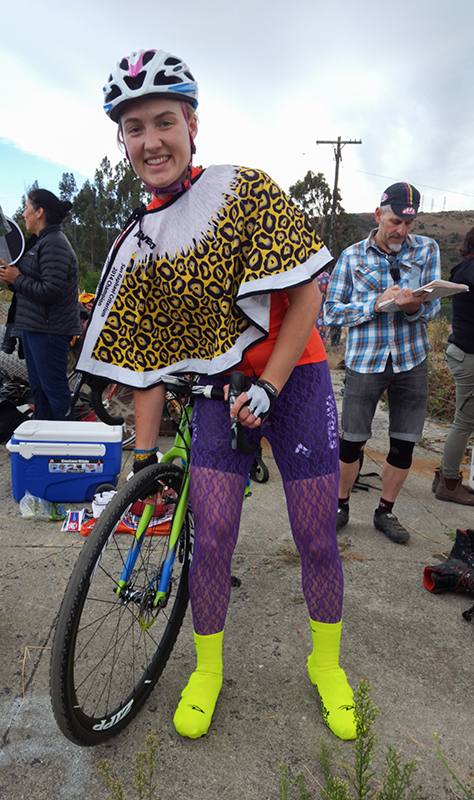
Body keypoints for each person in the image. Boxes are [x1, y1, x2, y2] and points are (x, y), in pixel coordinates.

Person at [77, 48, 357, 741]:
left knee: (315, 535)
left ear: (192, 124)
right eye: (134, 128)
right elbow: (145, 361)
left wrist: (270, 386)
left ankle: (326, 665)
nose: (150, 140)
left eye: (163, 121)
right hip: (214, 391)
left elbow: (308, 296)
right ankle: (206, 670)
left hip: (294, 378)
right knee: (214, 536)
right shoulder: (140, 241)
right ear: (122, 141)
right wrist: (144, 459)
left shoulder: (244, 190)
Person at [325, 183, 441, 544]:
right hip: (365, 361)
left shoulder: (427, 250)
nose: (401, 231)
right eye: (394, 222)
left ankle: (385, 512)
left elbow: (434, 307)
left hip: (411, 359)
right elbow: (331, 311)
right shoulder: (351, 256)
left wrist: (415, 307)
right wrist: (375, 304)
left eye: (408, 224)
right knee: (351, 441)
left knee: (404, 443)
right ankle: (340, 505)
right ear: (378, 215)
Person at [0, 189, 80, 420]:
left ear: (39, 212)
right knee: (40, 393)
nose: (23, 214)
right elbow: (31, 285)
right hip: (35, 328)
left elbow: (50, 290)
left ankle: (69, 440)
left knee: (55, 393)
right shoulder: (38, 242)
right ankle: (45, 439)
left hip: (49, 331)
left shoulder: (54, 243)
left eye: (26, 208)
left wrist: (17, 279)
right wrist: (12, 279)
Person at [433, 227, 474, 504]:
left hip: (463, 353)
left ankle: (444, 476)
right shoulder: (470, 269)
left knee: (464, 420)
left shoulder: (465, 267)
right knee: (464, 421)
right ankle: (448, 482)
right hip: (468, 355)